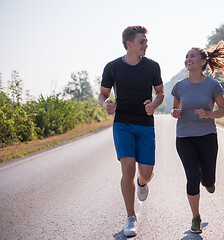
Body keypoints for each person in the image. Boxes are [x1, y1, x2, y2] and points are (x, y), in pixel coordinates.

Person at [99, 26, 164, 237]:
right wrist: (105, 104)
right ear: (129, 44)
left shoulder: (152, 66)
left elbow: (160, 92)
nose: (146, 45)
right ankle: (130, 217)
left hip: (145, 125)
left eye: (146, 41)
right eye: (142, 42)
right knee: (127, 168)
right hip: (122, 123)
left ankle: (141, 183)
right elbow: (102, 95)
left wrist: (154, 105)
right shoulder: (112, 67)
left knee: (145, 173)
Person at [171, 40, 224, 234]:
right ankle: (196, 217)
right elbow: (176, 109)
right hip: (184, 137)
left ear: (203, 62)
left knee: (207, 180)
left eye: (192, 56)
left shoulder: (212, 85)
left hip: (207, 136)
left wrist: (210, 114)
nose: (188, 59)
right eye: (186, 56)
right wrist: (175, 113)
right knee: (192, 177)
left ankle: (208, 182)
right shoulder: (179, 86)